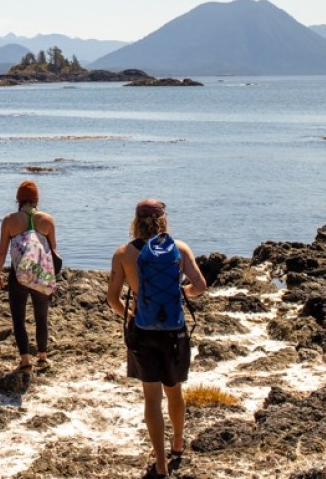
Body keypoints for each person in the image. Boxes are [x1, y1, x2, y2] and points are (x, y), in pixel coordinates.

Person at [106, 198, 207, 479]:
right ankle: (177, 443)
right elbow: (200, 286)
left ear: (135, 222)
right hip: (174, 331)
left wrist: (132, 315)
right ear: (163, 221)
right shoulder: (180, 249)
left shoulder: (123, 254)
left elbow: (112, 299)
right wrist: (178, 294)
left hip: (143, 332)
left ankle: (161, 464)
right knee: (174, 390)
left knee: (151, 397)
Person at [0, 179, 59, 372]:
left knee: (19, 319)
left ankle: (25, 361)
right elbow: (53, 252)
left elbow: (2, 251)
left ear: (18, 200)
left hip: (18, 275)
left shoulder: (9, 220)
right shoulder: (47, 220)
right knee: (41, 317)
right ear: (37, 199)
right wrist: (52, 279)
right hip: (41, 274)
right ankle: (43, 357)